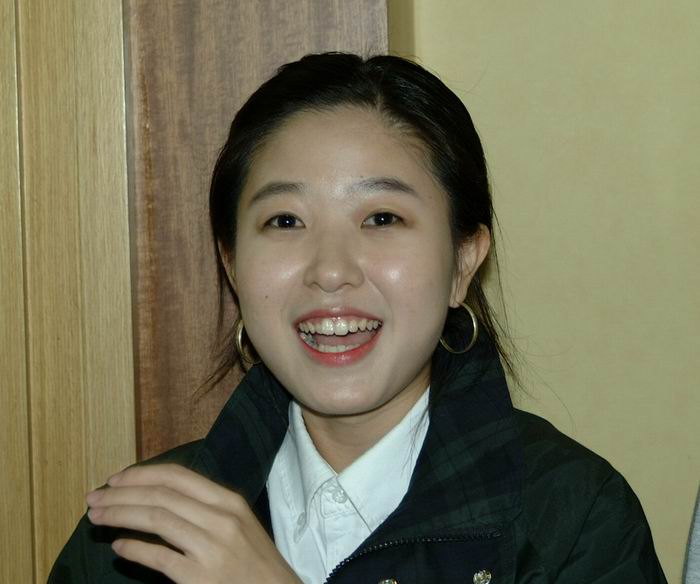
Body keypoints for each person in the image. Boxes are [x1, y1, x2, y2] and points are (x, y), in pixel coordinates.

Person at [48, 52, 667, 583]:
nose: (331, 270)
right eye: (285, 221)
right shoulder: (136, 535)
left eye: (381, 218)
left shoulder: (574, 520)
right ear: (231, 265)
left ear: (463, 262)